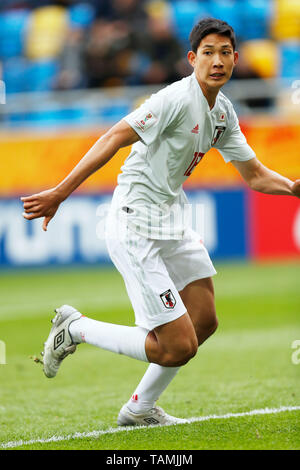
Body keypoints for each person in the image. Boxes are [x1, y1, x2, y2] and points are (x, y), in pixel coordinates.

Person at [21, 18, 300, 427]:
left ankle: (138, 409)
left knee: (204, 321)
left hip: (172, 219)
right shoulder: (173, 99)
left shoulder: (221, 112)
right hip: (135, 224)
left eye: (225, 53)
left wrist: (293, 187)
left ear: (237, 59)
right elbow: (114, 136)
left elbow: (255, 174)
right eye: (208, 53)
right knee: (176, 346)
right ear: (192, 59)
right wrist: (61, 192)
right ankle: (76, 328)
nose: (217, 61)